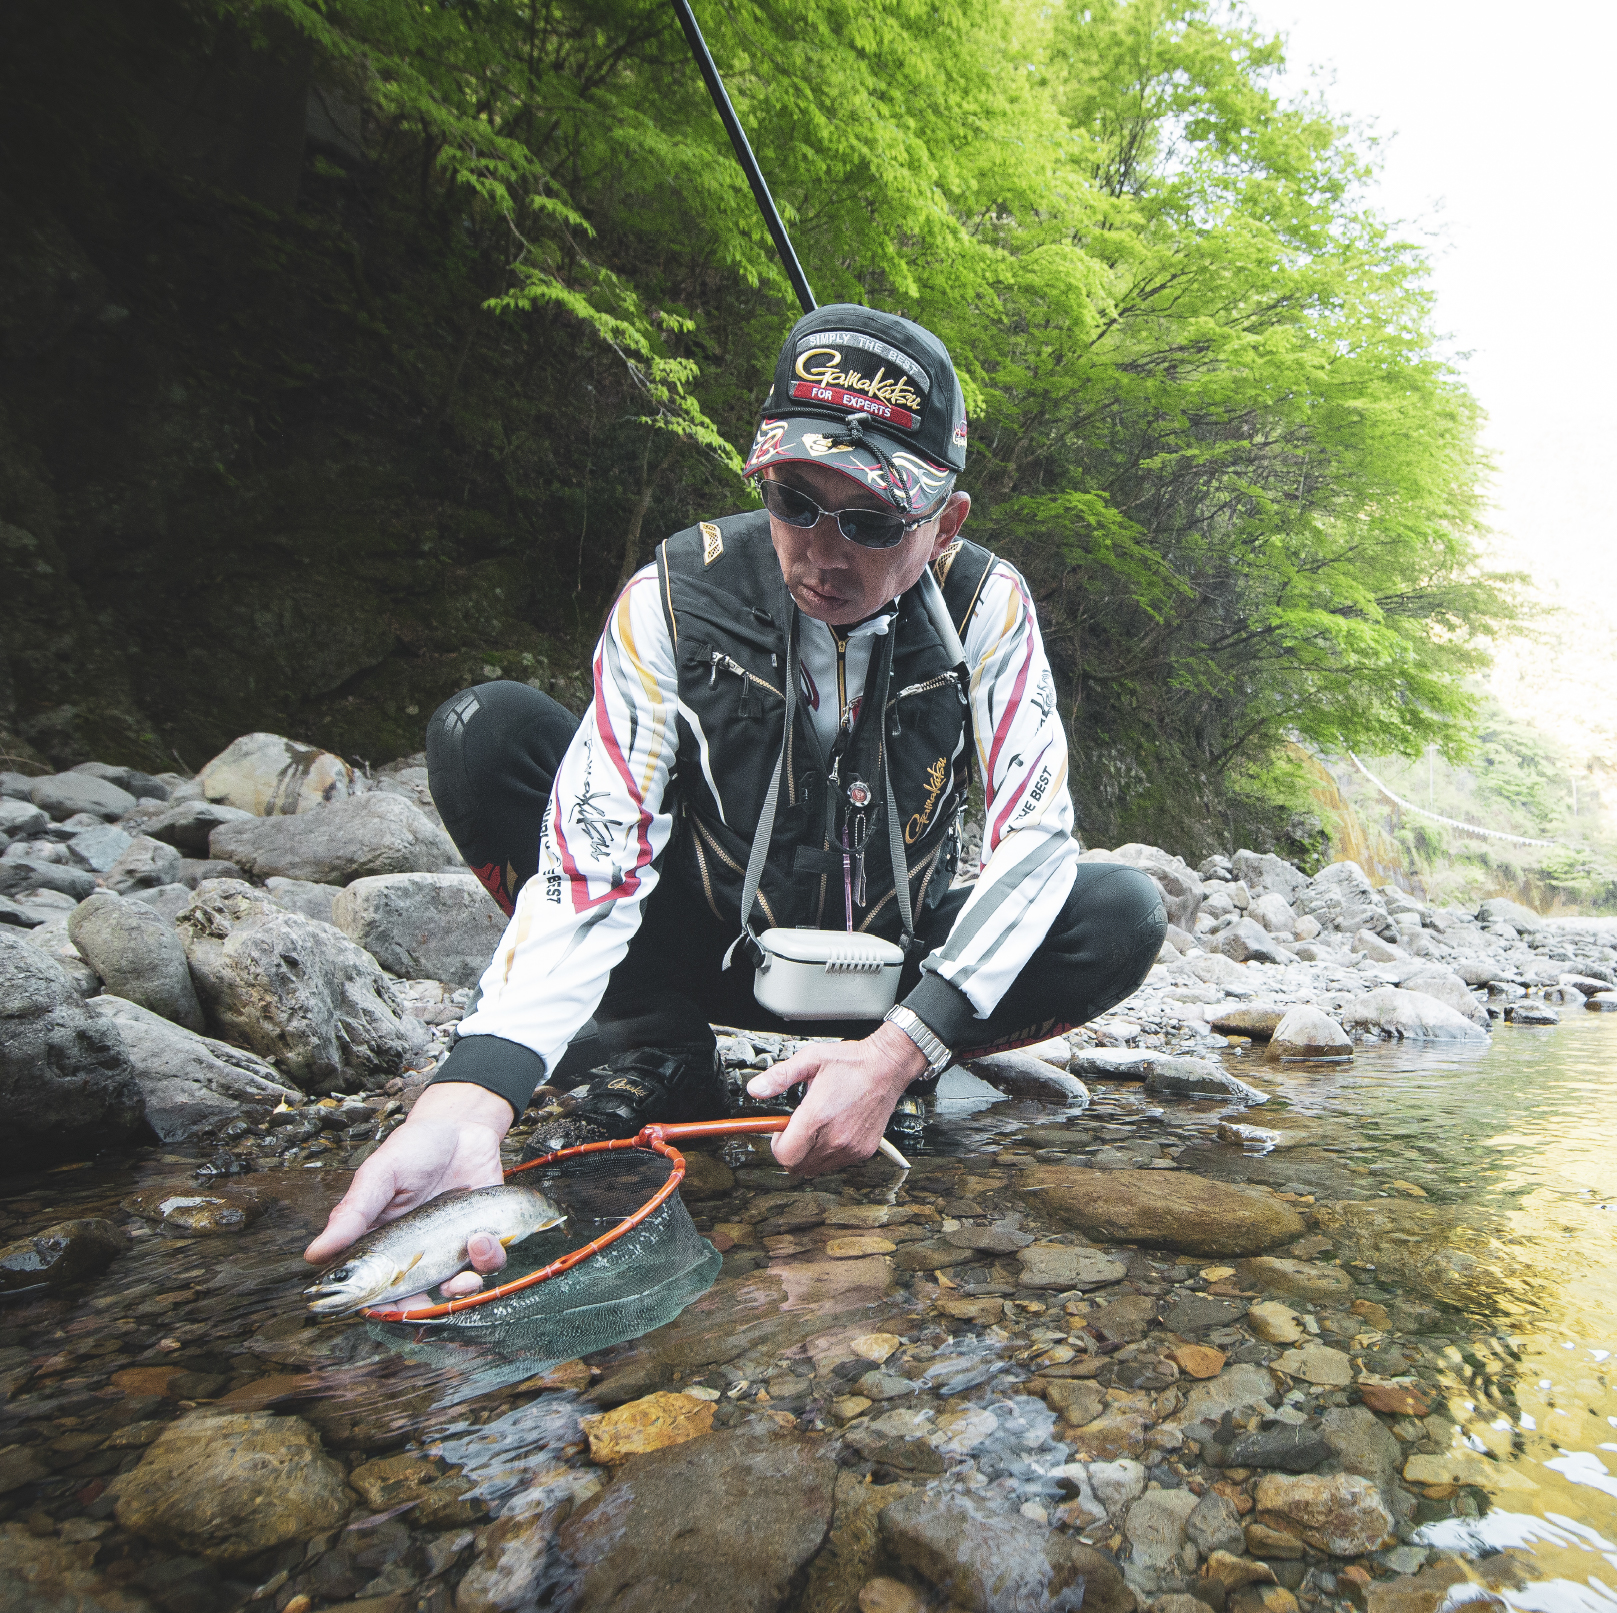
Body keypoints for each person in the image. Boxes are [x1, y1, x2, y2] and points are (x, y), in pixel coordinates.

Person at [304, 304, 1166, 1285]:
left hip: (890, 970)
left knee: (1118, 911)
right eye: (795, 500)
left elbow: (1035, 838)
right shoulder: (674, 593)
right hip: (704, 935)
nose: (823, 552)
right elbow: (594, 851)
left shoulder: (986, 606)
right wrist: (469, 1097)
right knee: (485, 732)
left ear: (945, 524)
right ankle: (650, 1046)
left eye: (873, 521)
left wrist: (899, 1051)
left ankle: (891, 1066)